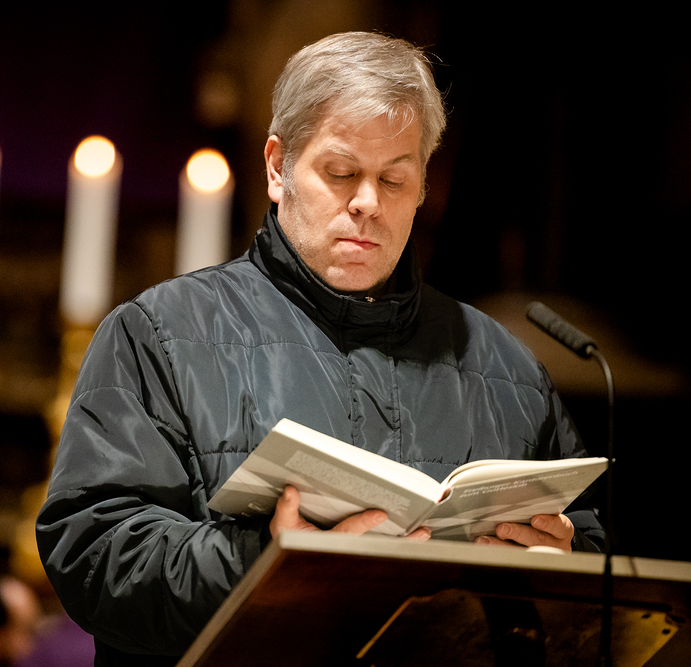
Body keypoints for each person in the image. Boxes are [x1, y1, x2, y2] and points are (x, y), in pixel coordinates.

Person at [37, 31, 605, 666]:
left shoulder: (507, 367)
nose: (368, 203)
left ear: (425, 187)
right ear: (277, 167)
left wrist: (563, 570)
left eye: (395, 179)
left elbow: (591, 567)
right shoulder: (159, 334)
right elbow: (92, 551)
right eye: (341, 173)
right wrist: (262, 563)